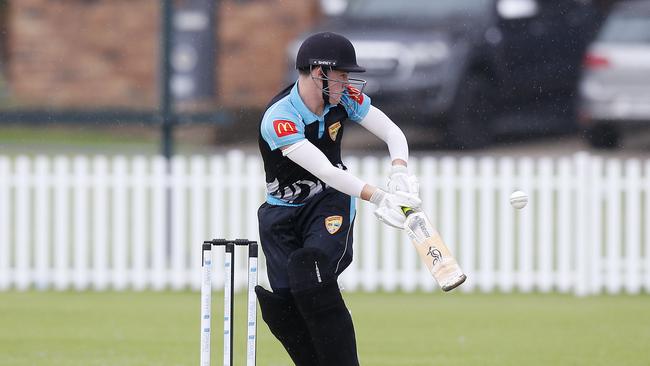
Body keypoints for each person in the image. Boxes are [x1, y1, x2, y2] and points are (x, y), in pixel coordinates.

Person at [254, 32, 421, 366]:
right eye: (343, 76)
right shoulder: (279, 118)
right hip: (280, 213)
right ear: (320, 72)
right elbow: (325, 170)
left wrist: (400, 171)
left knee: (310, 270)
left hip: (328, 203)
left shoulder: (344, 99)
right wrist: (379, 197)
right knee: (282, 306)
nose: (348, 83)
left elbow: (392, 133)